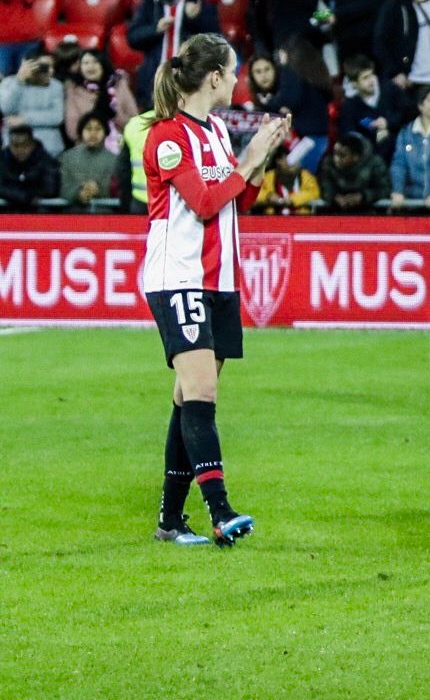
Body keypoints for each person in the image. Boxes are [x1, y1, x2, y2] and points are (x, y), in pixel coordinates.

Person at [140, 32, 290, 546]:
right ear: (214, 77)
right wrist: (247, 158)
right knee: (202, 392)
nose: (238, 79)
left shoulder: (219, 133)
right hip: (178, 275)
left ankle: (169, 521)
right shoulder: (166, 137)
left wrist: (261, 156)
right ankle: (220, 511)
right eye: (233, 70)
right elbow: (203, 202)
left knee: (188, 399)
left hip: (218, 279)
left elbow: (237, 202)